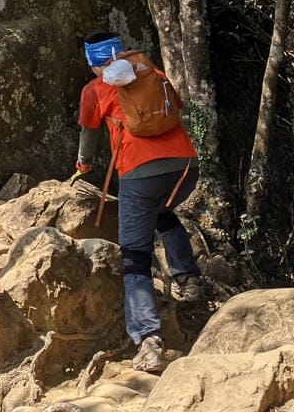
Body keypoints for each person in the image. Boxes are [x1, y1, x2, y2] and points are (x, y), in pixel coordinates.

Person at [73, 31, 204, 373]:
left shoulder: (95, 89)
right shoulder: (151, 72)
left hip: (140, 173)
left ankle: (148, 341)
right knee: (161, 212)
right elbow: (177, 107)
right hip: (186, 167)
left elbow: (88, 132)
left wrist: (83, 165)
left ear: (93, 62)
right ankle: (189, 279)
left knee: (134, 256)